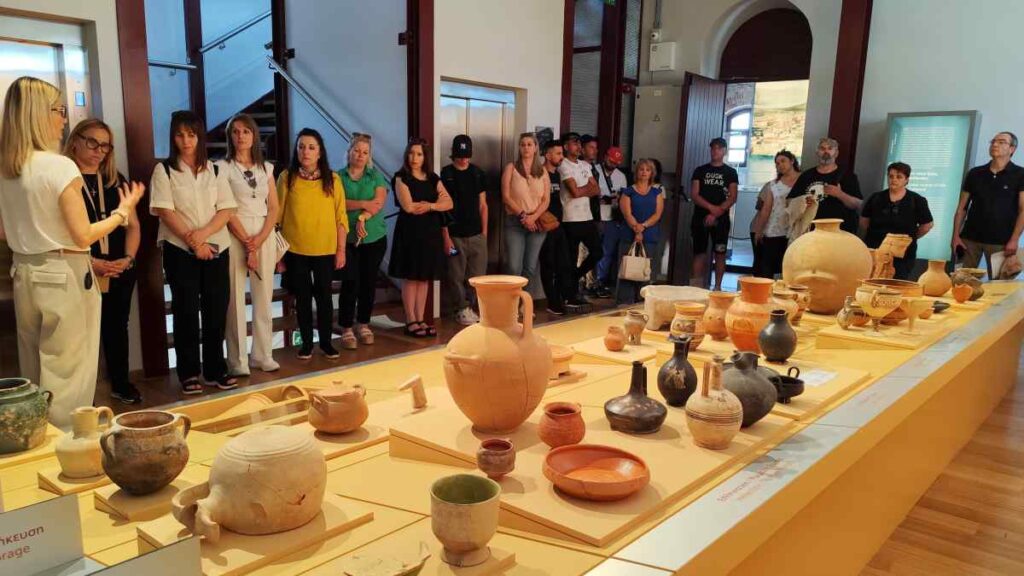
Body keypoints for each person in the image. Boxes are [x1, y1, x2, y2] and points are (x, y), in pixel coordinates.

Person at [0, 77, 143, 426]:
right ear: (38, 114)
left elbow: (3, 231)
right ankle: (66, 445)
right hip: (64, 274)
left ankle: (36, 441)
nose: (63, 119)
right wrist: (122, 212)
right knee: (68, 376)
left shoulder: (8, 167)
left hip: (24, 272)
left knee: (34, 370)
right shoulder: (58, 166)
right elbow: (83, 235)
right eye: (59, 110)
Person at [151, 110, 236, 395]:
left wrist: (203, 235)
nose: (186, 141)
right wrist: (194, 242)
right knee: (186, 311)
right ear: (172, 137)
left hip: (217, 247)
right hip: (179, 250)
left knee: (216, 310)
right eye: (179, 135)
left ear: (199, 137)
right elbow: (165, 210)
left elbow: (226, 209)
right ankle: (188, 373)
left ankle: (215, 369)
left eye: (191, 135)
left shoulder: (215, 169)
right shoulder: (164, 170)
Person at [63, 119, 142, 405]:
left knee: (117, 326)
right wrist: (91, 262)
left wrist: (128, 259)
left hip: (119, 267)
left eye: (105, 146)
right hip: (82, 267)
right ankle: (81, 396)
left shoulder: (116, 180)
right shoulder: (65, 180)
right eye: (92, 142)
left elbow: (133, 226)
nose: (99, 151)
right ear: (75, 141)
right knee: (80, 333)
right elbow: (63, 232)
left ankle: (120, 383)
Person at [277, 128, 348, 360]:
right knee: (303, 298)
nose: (305, 151)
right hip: (295, 250)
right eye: (301, 147)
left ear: (319, 152)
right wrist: (279, 256)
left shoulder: (333, 179)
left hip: (325, 249)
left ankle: (326, 342)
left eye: (311, 147)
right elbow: (277, 218)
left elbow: (341, 217)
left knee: (325, 298)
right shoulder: (286, 178)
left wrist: (341, 250)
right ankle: (306, 343)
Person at [218, 113, 279, 375]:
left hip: (263, 233)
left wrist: (260, 238)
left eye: (246, 131)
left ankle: (263, 354)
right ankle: (237, 360)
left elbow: (274, 207)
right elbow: (226, 208)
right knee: (234, 299)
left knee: (264, 297)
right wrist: (247, 242)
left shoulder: (266, 168)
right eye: (235, 131)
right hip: (235, 234)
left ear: (254, 135)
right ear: (230, 137)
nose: (241, 136)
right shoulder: (222, 167)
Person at [389, 138, 453, 337]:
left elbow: (449, 202)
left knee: (424, 277)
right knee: (411, 277)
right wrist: (435, 204)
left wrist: (430, 206)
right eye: (411, 153)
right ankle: (411, 319)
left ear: (425, 157)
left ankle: (421, 318)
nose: (414, 158)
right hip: (410, 232)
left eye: (419, 154)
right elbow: (409, 206)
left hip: (430, 232)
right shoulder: (401, 178)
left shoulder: (433, 178)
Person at [336, 133, 388, 349]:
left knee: (368, 283)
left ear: (369, 156)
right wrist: (363, 204)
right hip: (347, 240)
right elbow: (338, 204)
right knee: (350, 283)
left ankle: (364, 323)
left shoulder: (375, 176)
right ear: (349, 152)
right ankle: (346, 327)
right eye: (356, 151)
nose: (360, 155)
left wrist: (363, 214)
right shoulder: (338, 177)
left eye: (365, 152)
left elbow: (378, 203)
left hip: (374, 238)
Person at [952, 132, 1024, 275]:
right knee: (961, 281)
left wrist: (1014, 239)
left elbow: (1023, 210)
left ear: (1012, 149)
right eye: (993, 141)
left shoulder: (1020, 174)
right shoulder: (975, 173)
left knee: (1000, 284)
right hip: (969, 239)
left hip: (1002, 242)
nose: (995, 144)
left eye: (1001, 142)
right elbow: (962, 208)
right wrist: (955, 236)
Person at [440, 134, 488, 326]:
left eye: (466, 155)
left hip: (476, 234)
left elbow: (483, 205)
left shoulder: (478, 173)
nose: (463, 159)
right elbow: (442, 207)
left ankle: (471, 306)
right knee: (455, 274)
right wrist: (445, 236)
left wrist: (484, 232)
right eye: (460, 156)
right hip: (454, 235)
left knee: (477, 275)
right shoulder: (446, 174)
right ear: (454, 154)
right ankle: (460, 308)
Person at [859, 162, 934, 280]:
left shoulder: (917, 200)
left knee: (897, 284)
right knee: (871, 282)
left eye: (899, 177)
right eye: (891, 176)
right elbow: (864, 221)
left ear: (906, 180)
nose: (894, 179)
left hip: (902, 255)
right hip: (875, 251)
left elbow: (927, 225)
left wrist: (909, 238)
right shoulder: (876, 198)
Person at [501, 133, 550, 293]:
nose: (526, 148)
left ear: (536, 148)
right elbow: (506, 197)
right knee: (514, 266)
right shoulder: (511, 168)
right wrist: (524, 217)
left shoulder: (542, 171)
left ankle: (523, 302)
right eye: (523, 144)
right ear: (519, 148)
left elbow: (546, 200)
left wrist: (533, 218)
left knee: (530, 267)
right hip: (515, 222)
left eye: (530, 144)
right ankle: (510, 300)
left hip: (536, 223)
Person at [786, 137, 862, 234]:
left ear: (836, 153)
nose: (826, 152)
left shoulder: (847, 176)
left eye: (830, 148)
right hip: (811, 232)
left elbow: (858, 204)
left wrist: (840, 194)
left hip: (840, 232)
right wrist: (802, 201)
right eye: (822, 148)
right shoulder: (806, 176)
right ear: (817, 152)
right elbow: (789, 201)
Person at [538, 139, 580, 315]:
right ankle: (552, 302)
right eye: (558, 153)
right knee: (548, 264)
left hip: (559, 224)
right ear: (548, 155)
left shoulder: (557, 174)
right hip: (546, 225)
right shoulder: (540, 174)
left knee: (563, 263)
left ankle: (565, 297)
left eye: (562, 153)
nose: (561, 157)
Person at [558, 132, 601, 301]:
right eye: (574, 143)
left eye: (579, 143)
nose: (578, 146)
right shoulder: (564, 165)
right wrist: (586, 189)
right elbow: (574, 192)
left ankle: (575, 275)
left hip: (587, 216)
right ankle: (569, 294)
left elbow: (596, 189)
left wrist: (583, 190)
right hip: (570, 218)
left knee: (598, 252)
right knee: (571, 257)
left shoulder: (585, 165)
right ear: (566, 146)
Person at [690, 137, 738, 291]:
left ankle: (717, 287)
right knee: (699, 253)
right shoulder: (700, 170)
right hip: (700, 217)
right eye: (713, 148)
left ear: (724, 151)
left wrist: (717, 212)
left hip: (721, 220)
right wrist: (711, 208)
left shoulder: (731, 172)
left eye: (719, 148)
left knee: (720, 253)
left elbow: (733, 196)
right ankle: (696, 288)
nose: (715, 151)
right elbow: (694, 194)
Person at [616, 158, 664, 303]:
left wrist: (643, 226)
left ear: (652, 173)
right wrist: (637, 230)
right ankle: (624, 303)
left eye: (647, 170)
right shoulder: (628, 192)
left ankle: (642, 303)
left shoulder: (657, 192)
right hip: (629, 234)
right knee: (627, 269)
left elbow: (657, 214)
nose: (644, 172)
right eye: (641, 169)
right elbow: (627, 213)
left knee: (645, 271)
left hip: (649, 236)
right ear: (636, 172)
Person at [750, 150, 800, 279]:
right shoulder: (773, 185)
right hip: (775, 229)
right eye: (777, 163)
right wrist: (759, 230)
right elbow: (766, 209)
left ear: (792, 161)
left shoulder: (803, 180)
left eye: (783, 161)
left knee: (790, 265)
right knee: (768, 266)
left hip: (795, 229)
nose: (780, 165)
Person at [594, 146, 628, 296]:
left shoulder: (621, 176)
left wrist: (614, 199)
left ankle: (600, 281)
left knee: (607, 252)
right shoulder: (594, 170)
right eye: (611, 160)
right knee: (592, 250)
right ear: (605, 156)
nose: (612, 163)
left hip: (613, 218)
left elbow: (623, 198)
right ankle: (587, 282)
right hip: (595, 217)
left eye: (616, 162)